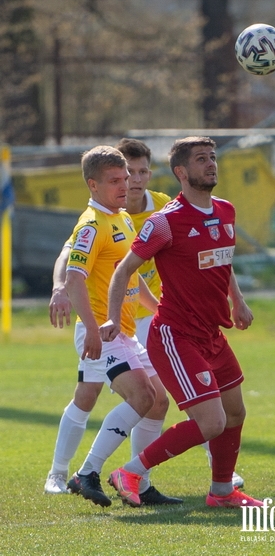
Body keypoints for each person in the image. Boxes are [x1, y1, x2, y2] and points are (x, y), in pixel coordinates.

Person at [100, 136, 261, 508]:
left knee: (235, 412)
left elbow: (222, 259)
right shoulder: (164, 222)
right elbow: (123, 271)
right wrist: (112, 317)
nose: (211, 164)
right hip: (177, 335)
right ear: (181, 172)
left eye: (213, 157)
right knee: (211, 422)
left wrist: (237, 300)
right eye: (201, 159)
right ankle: (131, 471)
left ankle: (221, 492)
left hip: (212, 334)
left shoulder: (225, 210)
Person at [44, 144, 181, 507]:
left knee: (157, 402)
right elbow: (75, 279)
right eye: (115, 181)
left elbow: (132, 282)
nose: (126, 186)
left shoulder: (120, 217)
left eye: (127, 178)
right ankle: (82, 472)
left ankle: (139, 480)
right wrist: (91, 328)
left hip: (124, 332)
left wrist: (162, 309)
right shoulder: (92, 225)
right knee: (138, 397)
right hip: (103, 334)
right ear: (92, 184)